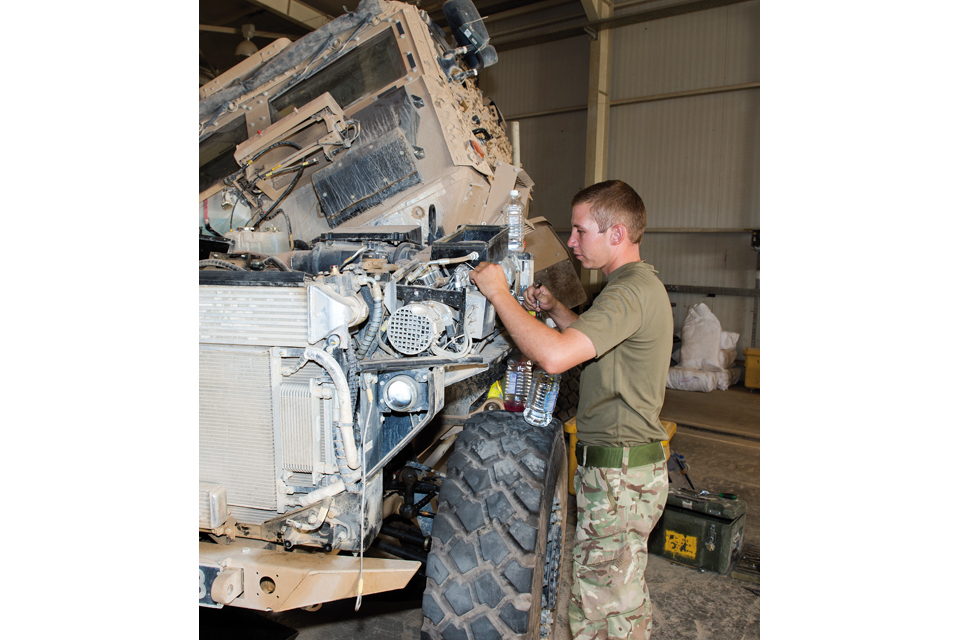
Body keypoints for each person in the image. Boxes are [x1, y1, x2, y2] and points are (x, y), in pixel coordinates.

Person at [468, 180, 673, 640]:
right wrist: (556, 309)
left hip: (620, 474)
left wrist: (499, 294)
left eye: (581, 232)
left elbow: (557, 357)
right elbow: (594, 342)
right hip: (624, 470)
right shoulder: (632, 286)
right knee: (618, 600)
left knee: (601, 612)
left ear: (616, 234)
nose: (573, 242)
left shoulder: (628, 292)